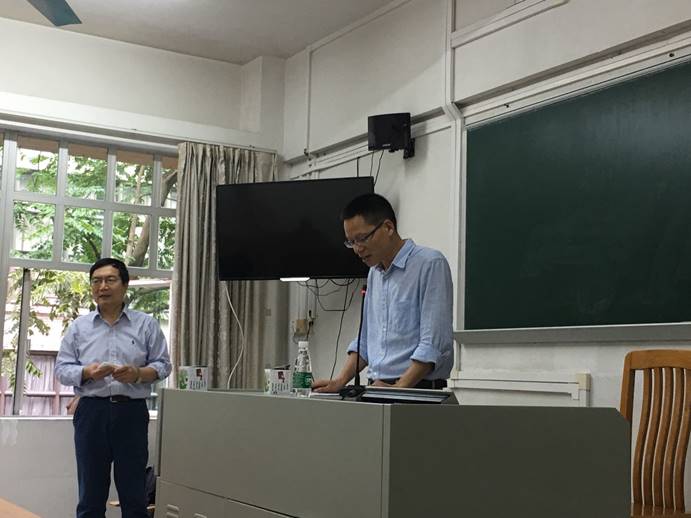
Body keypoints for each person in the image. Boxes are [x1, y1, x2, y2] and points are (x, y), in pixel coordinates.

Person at [55, 258, 172, 518]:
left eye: (110, 280)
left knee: (134, 495)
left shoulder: (146, 324)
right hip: (91, 413)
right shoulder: (79, 327)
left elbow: (164, 365)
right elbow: (61, 369)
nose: (102, 286)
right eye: (96, 281)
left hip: (131, 412)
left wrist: (137, 374)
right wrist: (87, 372)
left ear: (125, 285)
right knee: (90, 495)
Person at [312, 193, 453, 393]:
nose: (357, 249)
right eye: (351, 242)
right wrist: (339, 381)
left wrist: (399, 387)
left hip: (417, 392)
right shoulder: (374, 273)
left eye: (362, 238)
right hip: (378, 389)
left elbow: (433, 344)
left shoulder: (429, 264)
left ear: (388, 227)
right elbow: (365, 342)